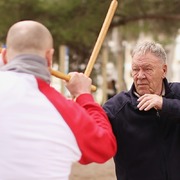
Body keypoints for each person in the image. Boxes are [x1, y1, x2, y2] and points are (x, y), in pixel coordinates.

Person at [0, 20, 117, 180]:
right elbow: (104, 146)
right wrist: (84, 96)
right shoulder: (64, 111)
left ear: (5, 56)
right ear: (49, 58)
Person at [103, 40, 180, 180]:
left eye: (147, 69)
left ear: (164, 70)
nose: (140, 76)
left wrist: (165, 104)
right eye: (135, 69)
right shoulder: (117, 107)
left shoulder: (178, 93)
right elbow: (92, 131)